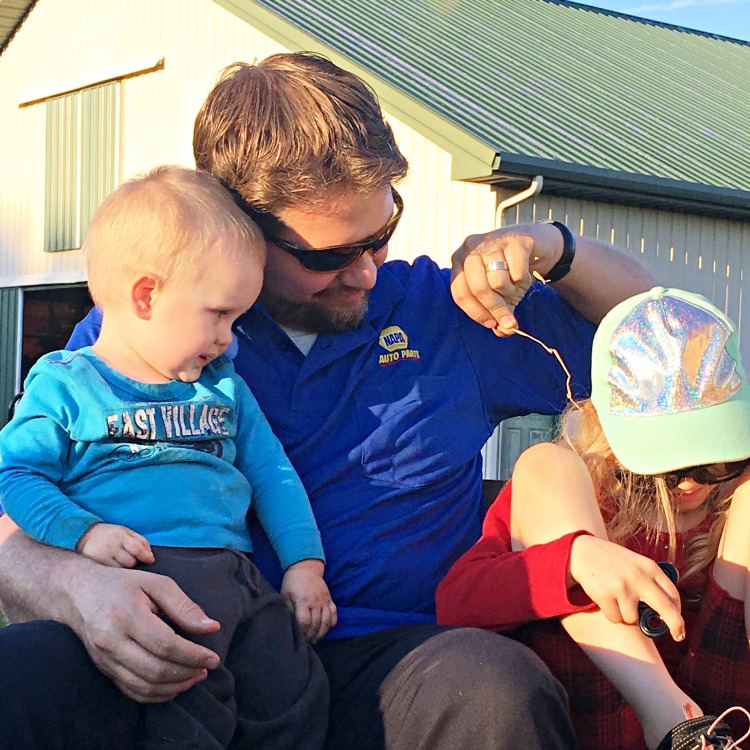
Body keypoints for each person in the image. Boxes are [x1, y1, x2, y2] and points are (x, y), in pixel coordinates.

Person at [0, 52, 655, 750]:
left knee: (494, 690)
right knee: (25, 672)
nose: (366, 270)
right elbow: (16, 504)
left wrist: (555, 247)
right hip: (182, 647)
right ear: (240, 226)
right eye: (329, 255)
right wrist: (77, 590)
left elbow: (665, 340)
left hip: (390, 667)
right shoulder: (145, 331)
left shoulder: (448, 314)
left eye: (381, 234)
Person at [0, 165, 334, 750]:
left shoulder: (223, 386)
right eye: (219, 315)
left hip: (239, 576)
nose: (229, 337)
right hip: (144, 574)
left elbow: (272, 473)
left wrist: (305, 563)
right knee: (182, 700)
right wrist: (83, 534)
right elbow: (17, 475)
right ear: (147, 295)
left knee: (295, 689)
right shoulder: (66, 385)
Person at [436, 287, 750, 750]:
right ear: (605, 427)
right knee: (547, 464)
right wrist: (572, 560)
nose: (690, 484)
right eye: (665, 465)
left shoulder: (732, 511)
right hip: (585, 727)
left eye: (717, 461)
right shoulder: (575, 492)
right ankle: (671, 718)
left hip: (726, 723)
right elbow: (456, 605)